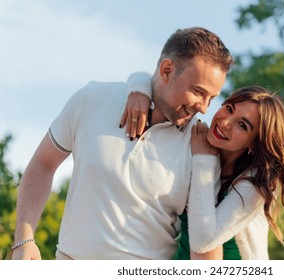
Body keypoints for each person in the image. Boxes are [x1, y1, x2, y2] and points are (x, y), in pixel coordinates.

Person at [12, 27, 233, 260]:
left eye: (212, 98)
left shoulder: (201, 148)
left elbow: (205, 243)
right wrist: (23, 240)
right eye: (199, 92)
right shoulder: (92, 99)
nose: (204, 108)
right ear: (167, 70)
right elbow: (43, 164)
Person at [122, 82, 284, 259]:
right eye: (229, 109)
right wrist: (139, 91)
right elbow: (165, 81)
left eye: (243, 125)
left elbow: (203, 240)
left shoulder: (253, 186)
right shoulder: (197, 138)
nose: (225, 123)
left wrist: (204, 160)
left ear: (254, 144)